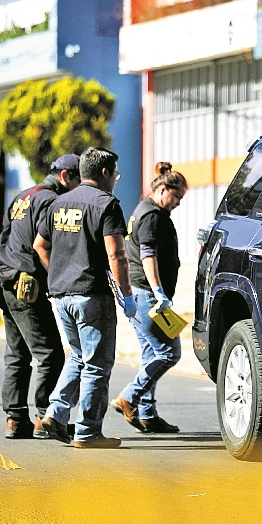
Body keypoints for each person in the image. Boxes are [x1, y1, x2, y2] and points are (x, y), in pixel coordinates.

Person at [32, 147, 136, 449]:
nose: (116, 180)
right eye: (115, 174)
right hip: (92, 296)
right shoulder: (107, 204)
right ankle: (88, 431)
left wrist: (61, 273)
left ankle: (55, 413)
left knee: (78, 356)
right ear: (104, 173)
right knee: (97, 365)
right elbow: (116, 254)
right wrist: (127, 296)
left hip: (62, 297)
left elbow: (41, 245)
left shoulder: (58, 203)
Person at [0, 154, 80, 439]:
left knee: (17, 354)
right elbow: (46, 245)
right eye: (76, 181)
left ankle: (15, 420)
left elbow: (4, 236)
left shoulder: (23, 196)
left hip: (6, 279)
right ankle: (44, 418)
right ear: (65, 176)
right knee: (50, 355)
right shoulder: (51, 201)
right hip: (27, 284)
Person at [111, 163, 187, 433]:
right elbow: (148, 255)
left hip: (139, 292)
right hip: (147, 293)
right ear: (163, 189)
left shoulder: (144, 209)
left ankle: (147, 414)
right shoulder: (152, 215)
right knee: (169, 353)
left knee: (150, 354)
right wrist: (158, 291)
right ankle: (129, 397)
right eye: (176, 196)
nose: (178, 203)